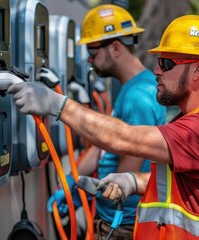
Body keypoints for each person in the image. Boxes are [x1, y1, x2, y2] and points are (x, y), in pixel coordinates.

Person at [8, 14, 199, 239]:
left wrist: (56, 104)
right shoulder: (197, 120)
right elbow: (184, 188)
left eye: (165, 63)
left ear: (197, 69)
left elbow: (125, 138)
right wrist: (134, 182)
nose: (156, 71)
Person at [45, 4, 166, 240]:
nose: (90, 61)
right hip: (117, 218)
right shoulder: (133, 88)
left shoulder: (136, 97)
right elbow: (103, 146)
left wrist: (93, 193)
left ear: (116, 48)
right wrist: (72, 182)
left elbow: (128, 167)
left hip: (123, 222)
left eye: (93, 52)